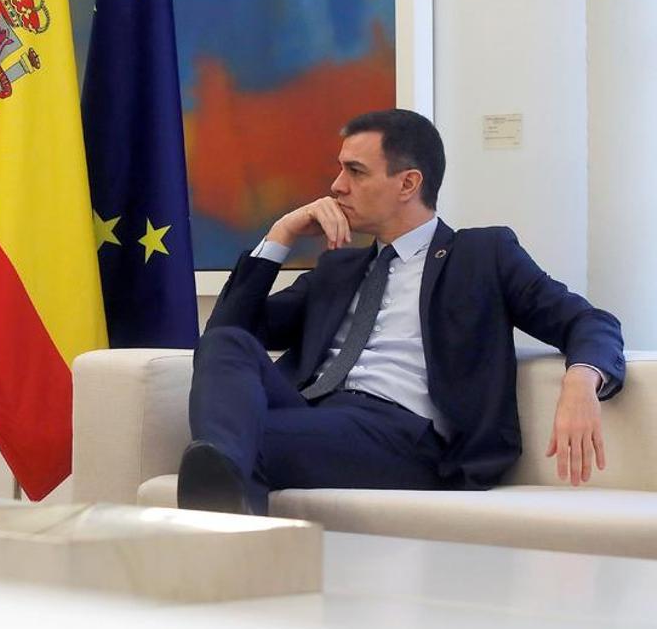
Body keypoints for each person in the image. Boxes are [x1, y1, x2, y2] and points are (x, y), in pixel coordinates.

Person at [178, 108, 625, 515]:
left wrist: (581, 379)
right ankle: (233, 513)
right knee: (226, 345)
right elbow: (228, 335)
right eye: (340, 169)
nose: (336, 186)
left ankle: (224, 518)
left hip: (405, 437)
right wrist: (281, 234)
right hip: (313, 416)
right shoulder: (339, 267)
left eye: (355, 171)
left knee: (230, 448)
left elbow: (588, 321)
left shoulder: (483, 254)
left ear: (408, 183)